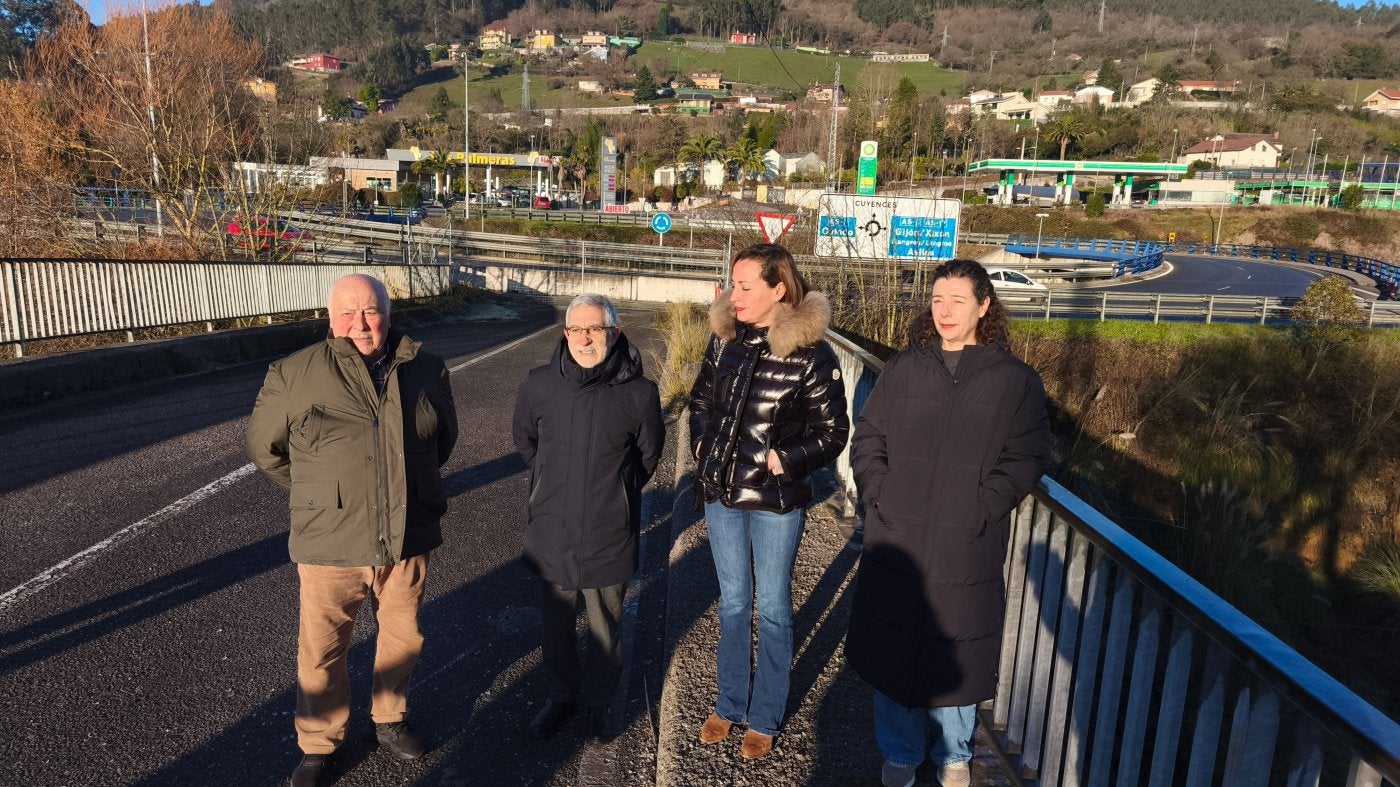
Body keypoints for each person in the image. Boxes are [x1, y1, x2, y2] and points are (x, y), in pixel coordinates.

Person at [845, 259, 1051, 787]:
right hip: (899, 533)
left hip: (966, 541)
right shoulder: (907, 368)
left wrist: (980, 507)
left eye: (958, 300)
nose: (945, 311)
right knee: (893, 650)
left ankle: (955, 755)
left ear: (985, 306)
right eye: (938, 299)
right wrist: (878, 491)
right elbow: (869, 435)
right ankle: (900, 753)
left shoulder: (1016, 381)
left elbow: (1025, 457)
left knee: (955, 651)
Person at [247, 273, 458, 787]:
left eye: (371, 312)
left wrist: (408, 491)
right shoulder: (294, 374)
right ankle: (319, 746)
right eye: (349, 313)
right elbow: (264, 449)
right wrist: (320, 496)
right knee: (322, 649)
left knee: (402, 636)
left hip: (406, 535)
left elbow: (442, 441)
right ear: (330, 316)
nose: (361, 324)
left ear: (388, 314)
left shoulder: (426, 368)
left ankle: (389, 719)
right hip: (331, 541)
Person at [688, 243, 850, 759]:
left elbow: (833, 431)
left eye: (744, 286)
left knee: (774, 608)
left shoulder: (811, 353)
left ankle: (765, 716)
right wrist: (701, 445)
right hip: (721, 493)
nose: (733, 294)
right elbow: (699, 401)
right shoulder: (724, 339)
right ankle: (730, 704)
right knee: (733, 603)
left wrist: (789, 457)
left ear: (778, 290)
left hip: (776, 501)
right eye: (733, 284)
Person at [512, 294, 664, 741]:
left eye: (594, 329)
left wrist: (615, 490)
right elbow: (526, 441)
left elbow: (648, 457)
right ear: (564, 334)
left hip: (608, 529)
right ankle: (561, 695)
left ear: (614, 333)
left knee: (606, 626)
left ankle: (600, 703)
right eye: (576, 329)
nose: (584, 337)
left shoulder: (639, 393)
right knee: (556, 625)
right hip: (551, 527)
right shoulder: (539, 384)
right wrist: (549, 483)